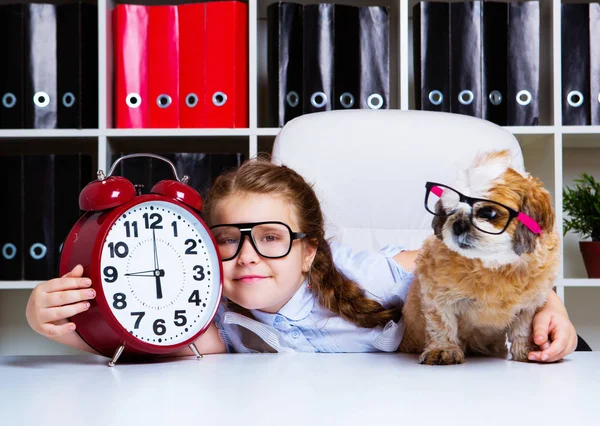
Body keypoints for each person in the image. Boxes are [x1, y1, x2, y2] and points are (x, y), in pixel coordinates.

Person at [26, 159, 578, 361]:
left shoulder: (368, 274)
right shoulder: (212, 318)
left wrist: (551, 303)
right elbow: (136, 345)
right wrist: (59, 323)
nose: (245, 257)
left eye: (270, 237)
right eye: (224, 239)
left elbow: (477, 263)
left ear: (310, 249)